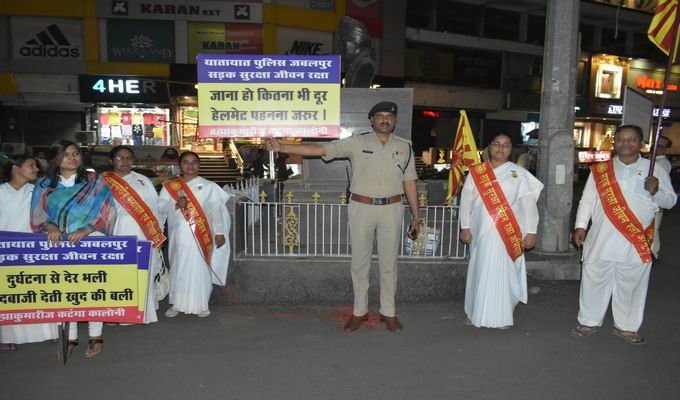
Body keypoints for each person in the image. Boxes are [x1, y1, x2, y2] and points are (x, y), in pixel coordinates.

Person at [266, 101, 419, 333]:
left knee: (390, 264)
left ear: (395, 121)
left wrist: (417, 216)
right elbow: (320, 150)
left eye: (389, 116)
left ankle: (389, 312)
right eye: (380, 116)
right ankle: (360, 311)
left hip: (392, 209)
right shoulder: (357, 142)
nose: (385, 120)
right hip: (361, 207)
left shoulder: (405, 147)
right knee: (360, 263)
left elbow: (410, 181)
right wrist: (282, 147)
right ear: (372, 120)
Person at [571, 125, 676, 345]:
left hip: (636, 240)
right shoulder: (600, 169)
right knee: (594, 280)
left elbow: (670, 202)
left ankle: (627, 327)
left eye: (632, 140)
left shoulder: (654, 169)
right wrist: (580, 226)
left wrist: (656, 190)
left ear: (641, 143)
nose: (626, 144)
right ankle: (589, 321)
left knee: (631, 284)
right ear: (614, 142)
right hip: (601, 237)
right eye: (621, 139)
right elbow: (588, 200)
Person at [30, 140, 116, 358]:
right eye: (66, 154)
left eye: (76, 153)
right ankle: (70, 337)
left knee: (93, 288)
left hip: (91, 240)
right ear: (56, 159)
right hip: (58, 244)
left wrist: (87, 229)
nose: (72, 158)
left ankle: (96, 336)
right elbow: (38, 214)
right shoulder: (44, 184)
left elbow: (108, 211)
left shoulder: (94, 181)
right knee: (65, 288)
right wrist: (50, 226)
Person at [459, 132, 544, 329]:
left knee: (506, 273)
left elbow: (529, 206)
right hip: (480, 232)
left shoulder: (519, 174)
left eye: (506, 145)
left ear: (511, 149)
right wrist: (465, 227)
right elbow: (466, 202)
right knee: (479, 270)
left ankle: (502, 315)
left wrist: (531, 232)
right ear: (489, 147)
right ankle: (476, 312)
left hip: (508, 232)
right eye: (496, 144)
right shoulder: (476, 172)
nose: (501, 148)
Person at [159, 152, 231, 318]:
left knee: (201, 267)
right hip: (179, 236)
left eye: (194, 162)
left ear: (199, 165)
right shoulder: (170, 186)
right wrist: (176, 205)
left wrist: (219, 233)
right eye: (186, 162)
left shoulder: (209, 186)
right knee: (178, 267)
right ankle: (176, 303)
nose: (190, 166)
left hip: (202, 235)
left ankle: (201, 303)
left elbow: (217, 211)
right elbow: (161, 207)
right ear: (180, 165)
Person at [103, 146, 167, 324]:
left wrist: (158, 233)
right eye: (119, 157)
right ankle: (118, 313)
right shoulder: (102, 181)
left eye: (129, 158)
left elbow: (155, 210)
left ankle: (143, 312)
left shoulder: (143, 181)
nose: (125, 161)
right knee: (118, 274)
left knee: (142, 272)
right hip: (115, 233)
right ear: (111, 161)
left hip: (142, 234)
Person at [0, 156, 58, 351]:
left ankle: (49, 333)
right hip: (6, 255)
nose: (36, 169)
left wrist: (51, 227)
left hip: (35, 253)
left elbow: (47, 218)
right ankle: (6, 337)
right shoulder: (1, 193)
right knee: (9, 297)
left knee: (39, 292)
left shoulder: (37, 192)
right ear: (16, 168)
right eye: (31, 165)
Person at [649, 135, 673, 259]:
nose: (656, 147)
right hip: (652, 201)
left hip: (655, 201)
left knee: (653, 227)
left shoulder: (662, 164)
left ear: (665, 149)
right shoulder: (653, 160)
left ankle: (652, 252)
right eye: (655, 144)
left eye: (660, 146)